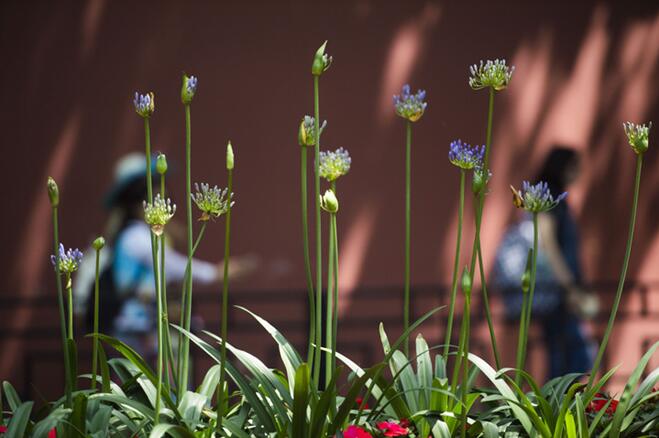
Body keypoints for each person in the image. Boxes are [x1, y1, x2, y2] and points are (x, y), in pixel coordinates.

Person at [75, 153, 255, 358]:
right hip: (136, 328)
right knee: (148, 383)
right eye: (156, 197)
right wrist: (215, 273)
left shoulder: (134, 234)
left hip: (146, 326)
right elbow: (172, 267)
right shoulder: (136, 236)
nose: (163, 200)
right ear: (139, 203)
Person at [493, 146, 597, 379]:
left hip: (556, 290)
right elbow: (548, 245)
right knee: (572, 355)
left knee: (565, 353)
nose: (578, 172)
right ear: (562, 167)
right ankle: (557, 408)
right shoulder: (548, 194)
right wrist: (570, 287)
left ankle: (559, 407)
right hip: (555, 291)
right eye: (574, 167)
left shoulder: (557, 195)